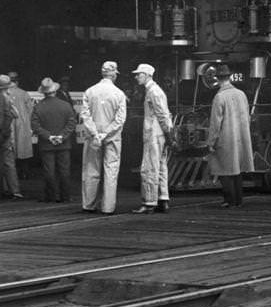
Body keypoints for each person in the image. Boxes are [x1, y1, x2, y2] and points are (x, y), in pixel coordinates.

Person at [79, 61, 127, 215]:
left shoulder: (89, 91)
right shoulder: (119, 94)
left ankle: (88, 204)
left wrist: (95, 133)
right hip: (112, 138)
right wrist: (106, 133)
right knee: (111, 170)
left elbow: (85, 116)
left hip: (93, 138)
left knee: (91, 169)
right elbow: (120, 120)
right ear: (113, 74)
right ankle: (108, 207)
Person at [205, 64, 253, 208]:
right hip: (240, 138)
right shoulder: (241, 94)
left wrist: (211, 142)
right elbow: (248, 117)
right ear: (229, 77)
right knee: (237, 170)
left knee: (223, 170)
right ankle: (238, 200)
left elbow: (215, 123)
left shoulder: (220, 97)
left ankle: (229, 200)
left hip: (225, 139)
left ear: (218, 79)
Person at [131, 64, 174, 214]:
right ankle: (163, 199)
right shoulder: (155, 90)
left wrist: (169, 135)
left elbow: (162, 114)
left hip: (154, 134)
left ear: (148, 75)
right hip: (160, 133)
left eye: (139, 74)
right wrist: (168, 134)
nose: (136, 77)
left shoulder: (153, 92)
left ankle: (149, 203)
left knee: (149, 167)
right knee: (161, 167)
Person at [31, 77, 76, 203]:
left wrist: (49, 136)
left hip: (46, 144)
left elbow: (35, 126)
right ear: (55, 91)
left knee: (49, 171)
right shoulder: (66, 105)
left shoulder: (38, 107)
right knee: (64, 171)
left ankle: (50, 196)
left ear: (43, 92)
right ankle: (65, 196)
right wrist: (62, 136)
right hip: (64, 143)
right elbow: (72, 123)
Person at [6, 71, 34, 187]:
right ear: (17, 81)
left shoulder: (5, 93)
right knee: (23, 149)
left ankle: (13, 174)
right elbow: (30, 110)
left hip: (10, 123)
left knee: (11, 149)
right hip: (23, 124)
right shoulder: (24, 93)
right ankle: (25, 172)